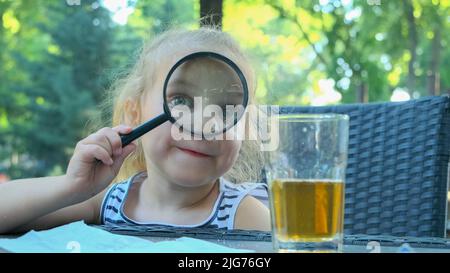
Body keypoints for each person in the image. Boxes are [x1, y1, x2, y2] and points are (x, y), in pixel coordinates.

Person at [0, 27, 270, 234]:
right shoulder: (109, 202)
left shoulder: (244, 216)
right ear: (134, 113)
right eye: (180, 101)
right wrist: (71, 187)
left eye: (225, 110)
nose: (203, 125)